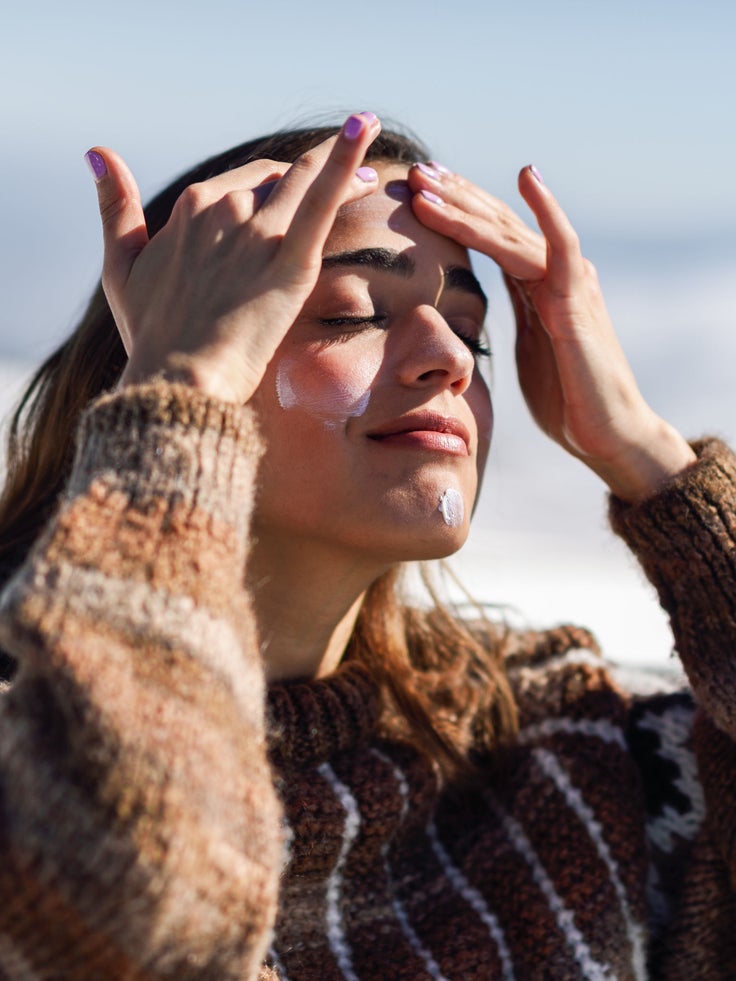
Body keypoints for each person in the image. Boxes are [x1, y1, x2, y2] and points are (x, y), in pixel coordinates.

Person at [0, 110, 733, 979]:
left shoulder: (559, 743)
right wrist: (182, 393)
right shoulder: (31, 757)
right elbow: (120, 930)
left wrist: (648, 454)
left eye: (472, 329)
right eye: (352, 313)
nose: (449, 360)